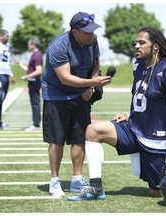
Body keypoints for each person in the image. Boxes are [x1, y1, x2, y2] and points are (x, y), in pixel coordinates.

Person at [67, 26, 166, 201]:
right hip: (134, 129)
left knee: (158, 192)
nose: (136, 46)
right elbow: (141, 95)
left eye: (142, 43)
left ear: (155, 46)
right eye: (136, 43)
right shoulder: (139, 66)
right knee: (93, 130)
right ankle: (95, 187)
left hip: (158, 140)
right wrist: (129, 115)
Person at [41, 12, 112, 197]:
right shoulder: (59, 45)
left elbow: (95, 65)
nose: (92, 34)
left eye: (93, 31)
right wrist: (92, 84)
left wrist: (91, 82)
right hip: (56, 96)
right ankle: (54, 181)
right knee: (57, 139)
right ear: (74, 31)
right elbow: (65, 78)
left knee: (80, 137)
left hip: (81, 95)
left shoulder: (92, 41)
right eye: (87, 31)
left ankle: (76, 179)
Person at [14, 38, 43, 131]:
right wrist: (19, 64)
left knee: (35, 103)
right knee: (34, 103)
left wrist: (27, 76)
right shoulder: (35, 55)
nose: (28, 46)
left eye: (29, 44)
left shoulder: (37, 55)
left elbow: (39, 71)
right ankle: (35, 123)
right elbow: (30, 69)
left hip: (34, 82)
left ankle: (36, 124)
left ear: (33, 44)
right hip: (33, 82)